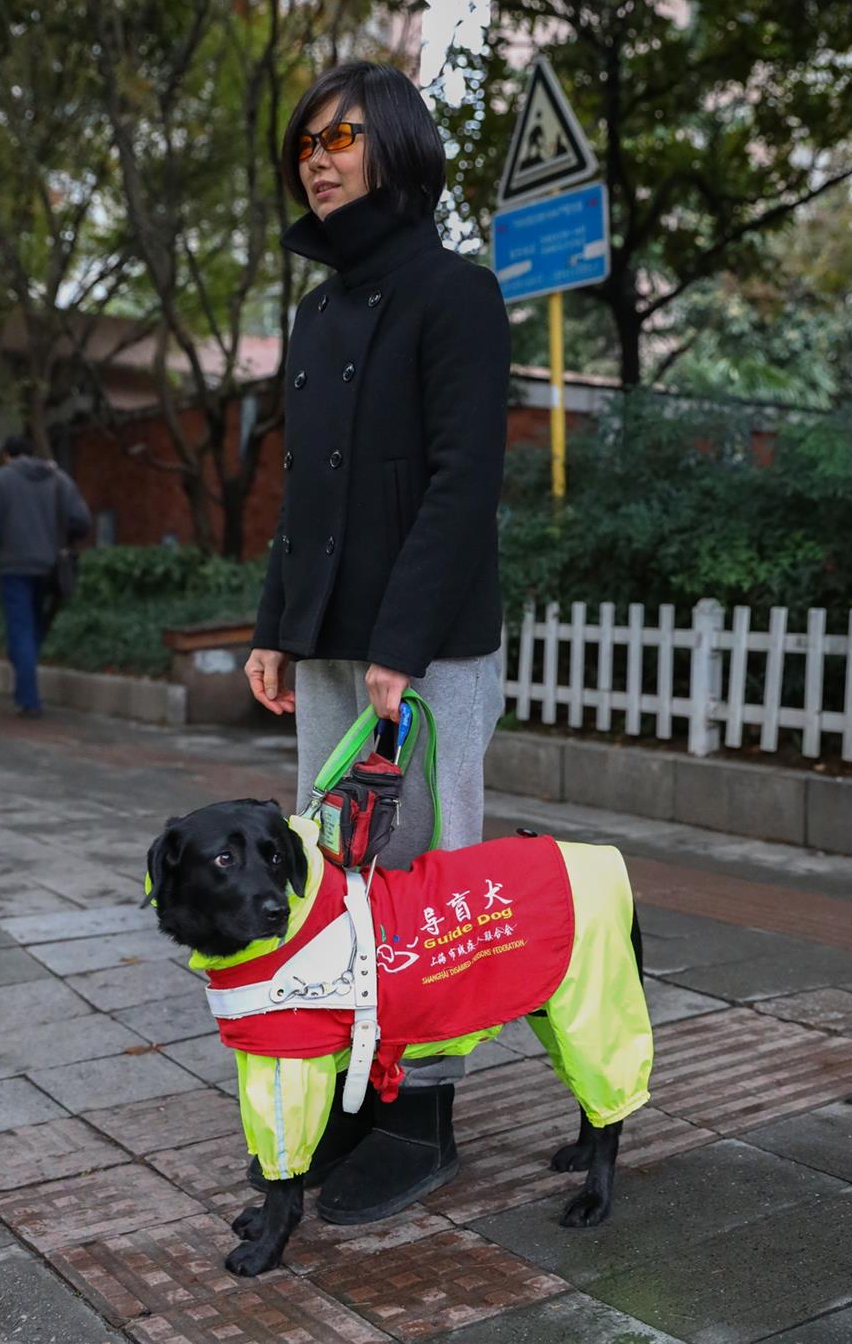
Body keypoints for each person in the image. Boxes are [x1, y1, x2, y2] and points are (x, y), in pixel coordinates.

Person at [243, 61, 510, 1223]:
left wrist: (402, 644)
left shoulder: (455, 293)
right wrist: (273, 626)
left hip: (430, 644)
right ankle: (359, 1078)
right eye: (305, 141)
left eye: (340, 134)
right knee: (335, 872)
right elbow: (308, 486)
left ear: (393, 145)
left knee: (424, 874)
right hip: (329, 644)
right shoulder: (315, 309)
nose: (317, 154)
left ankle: (427, 1109)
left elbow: (462, 483)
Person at [0, 436, 91, 717]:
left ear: (8, 456)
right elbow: (82, 520)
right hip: (50, 567)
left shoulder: (0, 480)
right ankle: (27, 679)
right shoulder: (59, 479)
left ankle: (29, 699)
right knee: (33, 628)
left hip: (15, 568)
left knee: (20, 632)